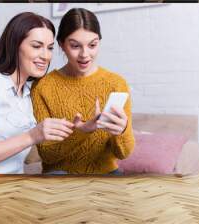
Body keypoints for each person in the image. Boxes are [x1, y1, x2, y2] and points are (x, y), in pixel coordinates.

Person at [31, 8, 135, 175]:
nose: (85, 54)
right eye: (75, 46)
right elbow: (47, 155)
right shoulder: (43, 87)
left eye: (92, 45)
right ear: (61, 45)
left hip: (106, 173)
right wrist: (81, 131)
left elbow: (124, 154)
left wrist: (122, 131)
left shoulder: (116, 84)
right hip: (61, 174)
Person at [0, 12, 74, 174]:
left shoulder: (29, 93)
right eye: (36, 46)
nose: (45, 56)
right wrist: (31, 136)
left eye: (49, 48)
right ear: (14, 45)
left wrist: (81, 128)